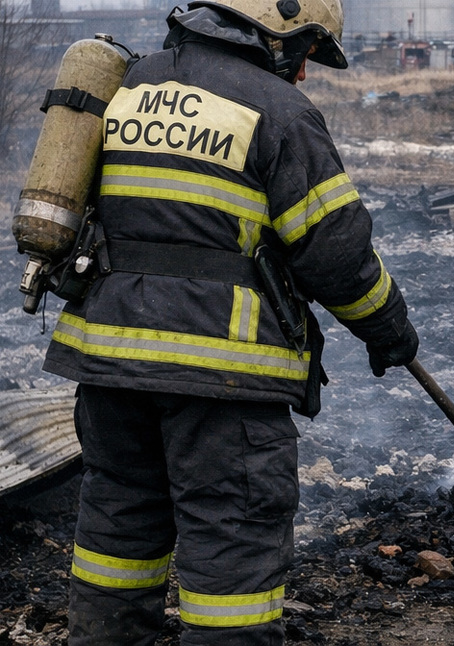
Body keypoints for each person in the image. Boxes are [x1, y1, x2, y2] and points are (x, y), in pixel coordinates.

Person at [39, 0, 419, 643]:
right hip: (222, 375)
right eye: (303, 53)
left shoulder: (126, 87)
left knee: (118, 528)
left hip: (110, 360)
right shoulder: (279, 112)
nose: (302, 74)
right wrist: (388, 327)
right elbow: (335, 252)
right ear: (273, 36)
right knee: (232, 544)